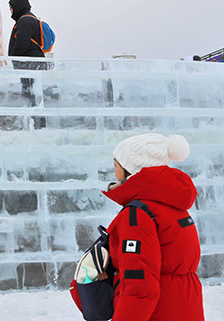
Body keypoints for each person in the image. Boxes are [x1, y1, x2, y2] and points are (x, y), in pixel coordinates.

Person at [72, 133, 203, 320]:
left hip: (157, 313)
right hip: (185, 307)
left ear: (131, 169)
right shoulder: (174, 207)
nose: (114, 171)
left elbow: (138, 284)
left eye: (116, 165)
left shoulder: (138, 214)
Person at [8, 0, 47, 120]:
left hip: (30, 65)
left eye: (11, 7)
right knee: (32, 94)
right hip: (31, 63)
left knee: (31, 94)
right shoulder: (29, 19)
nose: (11, 11)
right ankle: (35, 120)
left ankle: (36, 122)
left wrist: (15, 58)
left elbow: (22, 42)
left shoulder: (25, 21)